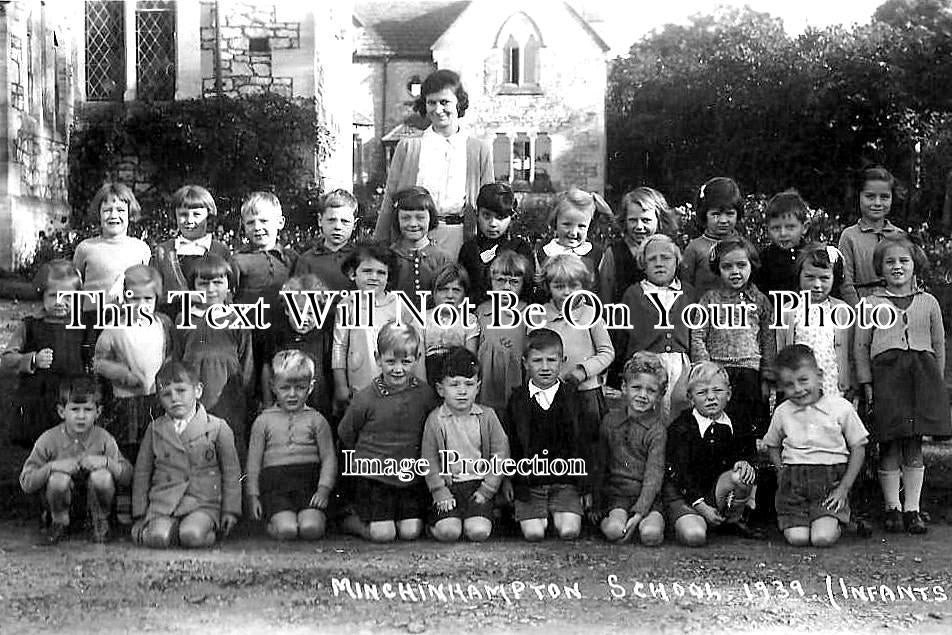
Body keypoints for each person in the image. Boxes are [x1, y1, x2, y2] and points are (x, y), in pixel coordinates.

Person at [854, 236, 951, 534]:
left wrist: (935, 380)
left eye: (903, 261)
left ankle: (913, 509)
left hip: (922, 377)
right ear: (880, 268)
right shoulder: (870, 304)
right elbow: (861, 345)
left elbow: (938, 343)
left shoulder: (928, 302)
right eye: (890, 262)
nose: (897, 267)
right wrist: (867, 383)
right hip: (888, 378)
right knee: (889, 441)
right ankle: (892, 508)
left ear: (914, 265)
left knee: (913, 442)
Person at [374, 69, 493, 260]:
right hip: (415, 237)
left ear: (459, 103)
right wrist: (378, 247)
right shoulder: (408, 147)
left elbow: (489, 206)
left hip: (462, 239)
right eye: (432, 102)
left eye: (445, 102)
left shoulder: (479, 150)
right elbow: (390, 198)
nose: (438, 109)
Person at [337, 322, 440, 542]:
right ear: (377, 358)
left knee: (410, 531)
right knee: (383, 534)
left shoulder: (425, 394)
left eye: (406, 362)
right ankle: (350, 519)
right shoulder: (365, 397)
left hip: (409, 477)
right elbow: (346, 434)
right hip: (374, 478)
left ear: (418, 358)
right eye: (390, 362)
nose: (398, 369)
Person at [765, 345, 868, 547]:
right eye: (789, 384)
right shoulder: (782, 412)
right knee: (798, 538)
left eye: (803, 380)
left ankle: (838, 521)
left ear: (819, 376)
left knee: (822, 539)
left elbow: (859, 447)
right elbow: (772, 445)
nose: (798, 389)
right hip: (793, 483)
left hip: (830, 482)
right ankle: (806, 520)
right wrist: (780, 470)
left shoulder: (840, 407)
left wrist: (844, 488)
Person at [131, 361, 241, 548]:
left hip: (202, 502)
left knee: (192, 535)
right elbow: (142, 473)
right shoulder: (155, 429)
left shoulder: (217, 427)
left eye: (181, 391)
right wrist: (140, 513)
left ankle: (203, 532)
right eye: (166, 394)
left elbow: (232, 473)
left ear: (197, 390)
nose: (174, 398)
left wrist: (231, 511)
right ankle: (163, 530)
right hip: (164, 503)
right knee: (158, 538)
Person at [93, 264, 172, 525]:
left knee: (153, 452)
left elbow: (170, 356)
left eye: (147, 299)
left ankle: (149, 505)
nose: (141, 305)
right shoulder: (115, 327)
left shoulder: (162, 325)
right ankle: (125, 503)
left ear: (156, 299)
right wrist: (122, 374)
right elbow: (99, 361)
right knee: (127, 452)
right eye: (134, 298)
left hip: (155, 401)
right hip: (126, 402)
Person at [501, 329, 592, 541]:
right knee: (534, 534)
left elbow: (585, 444)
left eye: (551, 360)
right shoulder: (518, 400)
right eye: (537, 360)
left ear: (563, 361)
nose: (544, 367)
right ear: (525, 363)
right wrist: (507, 480)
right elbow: (510, 442)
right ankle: (536, 516)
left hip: (565, 483)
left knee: (569, 531)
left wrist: (586, 487)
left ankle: (558, 512)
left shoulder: (573, 398)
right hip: (530, 484)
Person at [19, 376, 132, 544]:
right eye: (75, 409)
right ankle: (59, 522)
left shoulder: (104, 438)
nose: (81, 416)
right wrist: (52, 466)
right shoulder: (48, 439)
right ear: (61, 411)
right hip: (60, 501)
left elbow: (128, 476)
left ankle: (101, 522)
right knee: (58, 480)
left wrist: (107, 463)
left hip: (95, 502)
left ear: (98, 412)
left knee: (102, 477)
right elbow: (26, 481)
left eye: (87, 410)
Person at [664, 361, 764, 546]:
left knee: (741, 475)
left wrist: (745, 462)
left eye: (717, 391)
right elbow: (679, 475)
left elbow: (751, 455)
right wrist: (701, 507)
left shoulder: (739, 421)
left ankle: (733, 519)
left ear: (729, 393)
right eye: (702, 392)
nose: (711, 397)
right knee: (694, 536)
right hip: (687, 496)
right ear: (690, 397)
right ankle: (691, 520)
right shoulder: (681, 427)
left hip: (718, 490)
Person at [246, 350, 337, 541]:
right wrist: (253, 495)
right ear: (273, 386)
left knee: (311, 529)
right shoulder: (263, 421)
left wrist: (323, 489)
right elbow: (253, 463)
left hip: (308, 485)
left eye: (300, 387)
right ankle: (272, 525)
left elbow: (329, 458)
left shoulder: (317, 420)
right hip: (276, 487)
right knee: (287, 530)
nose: (292, 394)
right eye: (285, 388)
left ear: (311, 387)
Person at [2, 260, 94, 448]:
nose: (60, 302)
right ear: (42, 296)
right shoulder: (31, 325)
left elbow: (89, 356)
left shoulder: (82, 325)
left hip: (71, 391)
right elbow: (7, 358)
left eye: (67, 297)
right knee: (40, 440)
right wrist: (32, 359)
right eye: (53, 296)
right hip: (38, 394)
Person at [171, 254, 254, 461]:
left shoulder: (238, 319)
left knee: (231, 453)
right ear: (193, 286)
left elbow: (247, 362)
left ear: (229, 285)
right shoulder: (184, 319)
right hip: (195, 401)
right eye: (203, 283)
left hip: (230, 399)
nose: (211, 289)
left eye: (218, 282)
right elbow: (178, 361)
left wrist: (246, 398)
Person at [421, 347, 509, 542]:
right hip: (449, 486)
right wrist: (439, 490)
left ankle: (480, 516)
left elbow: (500, 454)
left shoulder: (487, 416)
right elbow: (429, 459)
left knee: (478, 532)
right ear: (440, 389)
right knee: (449, 533)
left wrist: (487, 490)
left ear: (477, 387)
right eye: (454, 384)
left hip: (478, 486)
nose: (462, 391)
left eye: (469, 384)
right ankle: (433, 526)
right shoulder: (435, 420)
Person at [690, 237, 774, 438]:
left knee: (747, 427)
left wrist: (766, 377)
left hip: (749, 373)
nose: (735, 271)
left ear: (751, 266)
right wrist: (706, 370)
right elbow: (698, 334)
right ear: (718, 269)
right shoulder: (709, 299)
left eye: (741, 265)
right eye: (727, 266)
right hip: (718, 372)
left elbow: (768, 340)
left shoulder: (760, 300)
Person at [531, 253, 614, 449]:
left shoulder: (590, 313)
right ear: (548, 287)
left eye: (573, 286)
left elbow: (606, 351)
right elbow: (532, 354)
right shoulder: (539, 315)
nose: (567, 292)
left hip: (587, 393)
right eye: (559, 286)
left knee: (589, 444)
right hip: (551, 392)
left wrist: (583, 370)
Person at [332, 242, 423, 415]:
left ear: (389, 277)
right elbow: (339, 346)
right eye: (367, 271)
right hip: (360, 379)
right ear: (353, 274)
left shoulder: (398, 305)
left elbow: (415, 343)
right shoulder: (348, 305)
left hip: (395, 377)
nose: (374, 277)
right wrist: (341, 386)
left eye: (381, 273)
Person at [614, 234, 696, 423]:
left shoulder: (689, 293)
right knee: (646, 415)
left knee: (678, 413)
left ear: (677, 261)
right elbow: (622, 335)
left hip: (680, 364)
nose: (659, 263)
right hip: (645, 362)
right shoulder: (633, 294)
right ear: (643, 264)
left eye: (666, 258)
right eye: (652, 259)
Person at [595, 353, 668, 546]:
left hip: (648, 498)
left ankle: (647, 523)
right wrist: (597, 501)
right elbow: (601, 464)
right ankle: (606, 523)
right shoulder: (610, 422)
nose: (642, 395)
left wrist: (640, 512)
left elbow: (654, 476)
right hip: (618, 496)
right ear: (624, 388)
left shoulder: (657, 430)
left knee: (650, 535)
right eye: (636, 387)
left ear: (659, 396)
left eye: (651, 391)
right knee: (615, 531)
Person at [233, 191, 298, 398]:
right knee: (249, 389)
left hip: (282, 335)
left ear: (280, 222)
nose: (258, 227)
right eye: (251, 222)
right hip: (250, 338)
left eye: (263, 220)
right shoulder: (238, 261)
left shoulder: (291, 259)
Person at [775, 244, 852, 399]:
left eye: (824, 278)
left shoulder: (841, 310)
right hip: (799, 385)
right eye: (810, 277)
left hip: (831, 383)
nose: (817, 285)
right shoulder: (788, 310)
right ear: (799, 275)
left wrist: (849, 382)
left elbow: (849, 351)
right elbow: (781, 349)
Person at [72, 183, 151, 325]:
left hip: (128, 319)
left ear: (130, 213)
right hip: (93, 319)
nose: (114, 215)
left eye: (120, 210)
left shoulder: (141, 249)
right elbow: (76, 287)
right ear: (98, 214)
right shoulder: (85, 248)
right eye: (107, 210)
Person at [151, 185, 235, 317]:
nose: (189, 220)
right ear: (175, 216)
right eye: (183, 215)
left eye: (196, 215)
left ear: (208, 216)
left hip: (210, 323)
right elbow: (154, 293)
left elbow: (229, 293)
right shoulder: (164, 251)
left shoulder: (220, 251)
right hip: (172, 322)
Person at [260, 274, 335, 420]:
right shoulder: (277, 335)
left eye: (311, 313)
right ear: (287, 311)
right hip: (283, 404)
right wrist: (268, 402)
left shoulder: (324, 335)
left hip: (317, 404)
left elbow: (329, 370)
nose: (304, 319)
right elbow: (266, 368)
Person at [838, 166, 905, 307]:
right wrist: (861, 314)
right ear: (859, 196)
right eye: (870, 196)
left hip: (897, 311)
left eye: (885, 197)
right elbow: (845, 283)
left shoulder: (899, 235)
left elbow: (910, 279)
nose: (877, 203)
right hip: (863, 309)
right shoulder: (850, 236)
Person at [599, 186, 678, 305]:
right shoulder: (615, 254)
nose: (639, 226)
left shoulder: (670, 250)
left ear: (659, 219)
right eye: (633, 220)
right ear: (625, 220)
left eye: (646, 220)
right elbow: (605, 295)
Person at [458, 182, 533, 305]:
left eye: (500, 217)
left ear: (511, 217)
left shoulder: (520, 248)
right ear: (478, 214)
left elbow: (528, 288)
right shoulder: (470, 248)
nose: (493, 223)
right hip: (477, 314)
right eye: (486, 216)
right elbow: (462, 287)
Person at [475, 250, 532, 412]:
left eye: (514, 282)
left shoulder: (528, 312)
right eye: (500, 280)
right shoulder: (482, 311)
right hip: (486, 385)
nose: (506, 287)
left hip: (516, 382)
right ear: (490, 282)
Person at [534, 188, 611, 299]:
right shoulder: (545, 252)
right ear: (555, 222)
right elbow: (540, 289)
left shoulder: (595, 253)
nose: (573, 233)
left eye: (581, 226)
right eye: (566, 224)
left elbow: (603, 290)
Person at [680, 177, 743, 296]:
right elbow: (685, 285)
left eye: (729, 214)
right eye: (716, 214)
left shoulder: (743, 246)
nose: (723, 220)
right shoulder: (695, 248)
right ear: (705, 215)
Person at [388, 186, 452, 300]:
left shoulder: (442, 258)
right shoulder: (389, 256)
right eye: (405, 218)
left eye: (420, 217)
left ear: (430, 218)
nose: (413, 223)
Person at [422, 264, 479, 386]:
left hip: (457, 379)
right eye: (443, 289)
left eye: (456, 290)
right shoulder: (422, 319)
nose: (450, 295)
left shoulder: (469, 320)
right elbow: (418, 358)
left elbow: (470, 359)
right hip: (428, 377)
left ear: (465, 294)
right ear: (433, 293)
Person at [293, 188, 358, 291]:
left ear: (354, 224)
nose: (337, 226)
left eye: (345, 221)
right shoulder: (306, 260)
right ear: (320, 220)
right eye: (331, 220)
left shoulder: (361, 258)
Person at [754, 189, 810, 297]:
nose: (783, 233)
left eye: (790, 227)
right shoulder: (763, 260)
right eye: (776, 228)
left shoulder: (812, 255)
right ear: (767, 229)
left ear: (804, 228)